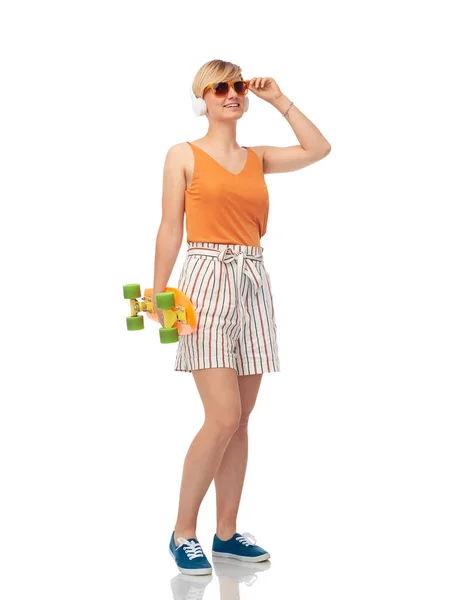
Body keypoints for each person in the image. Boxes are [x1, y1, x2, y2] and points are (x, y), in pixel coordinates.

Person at [152, 59, 331, 576]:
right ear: (202, 99)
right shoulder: (181, 155)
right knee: (222, 416)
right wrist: (160, 295)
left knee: (242, 420)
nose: (231, 94)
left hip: (253, 280)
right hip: (205, 278)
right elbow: (169, 228)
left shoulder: (258, 158)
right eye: (219, 87)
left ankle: (226, 534)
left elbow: (318, 149)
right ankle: (182, 532)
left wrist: (279, 99)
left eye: (236, 86)